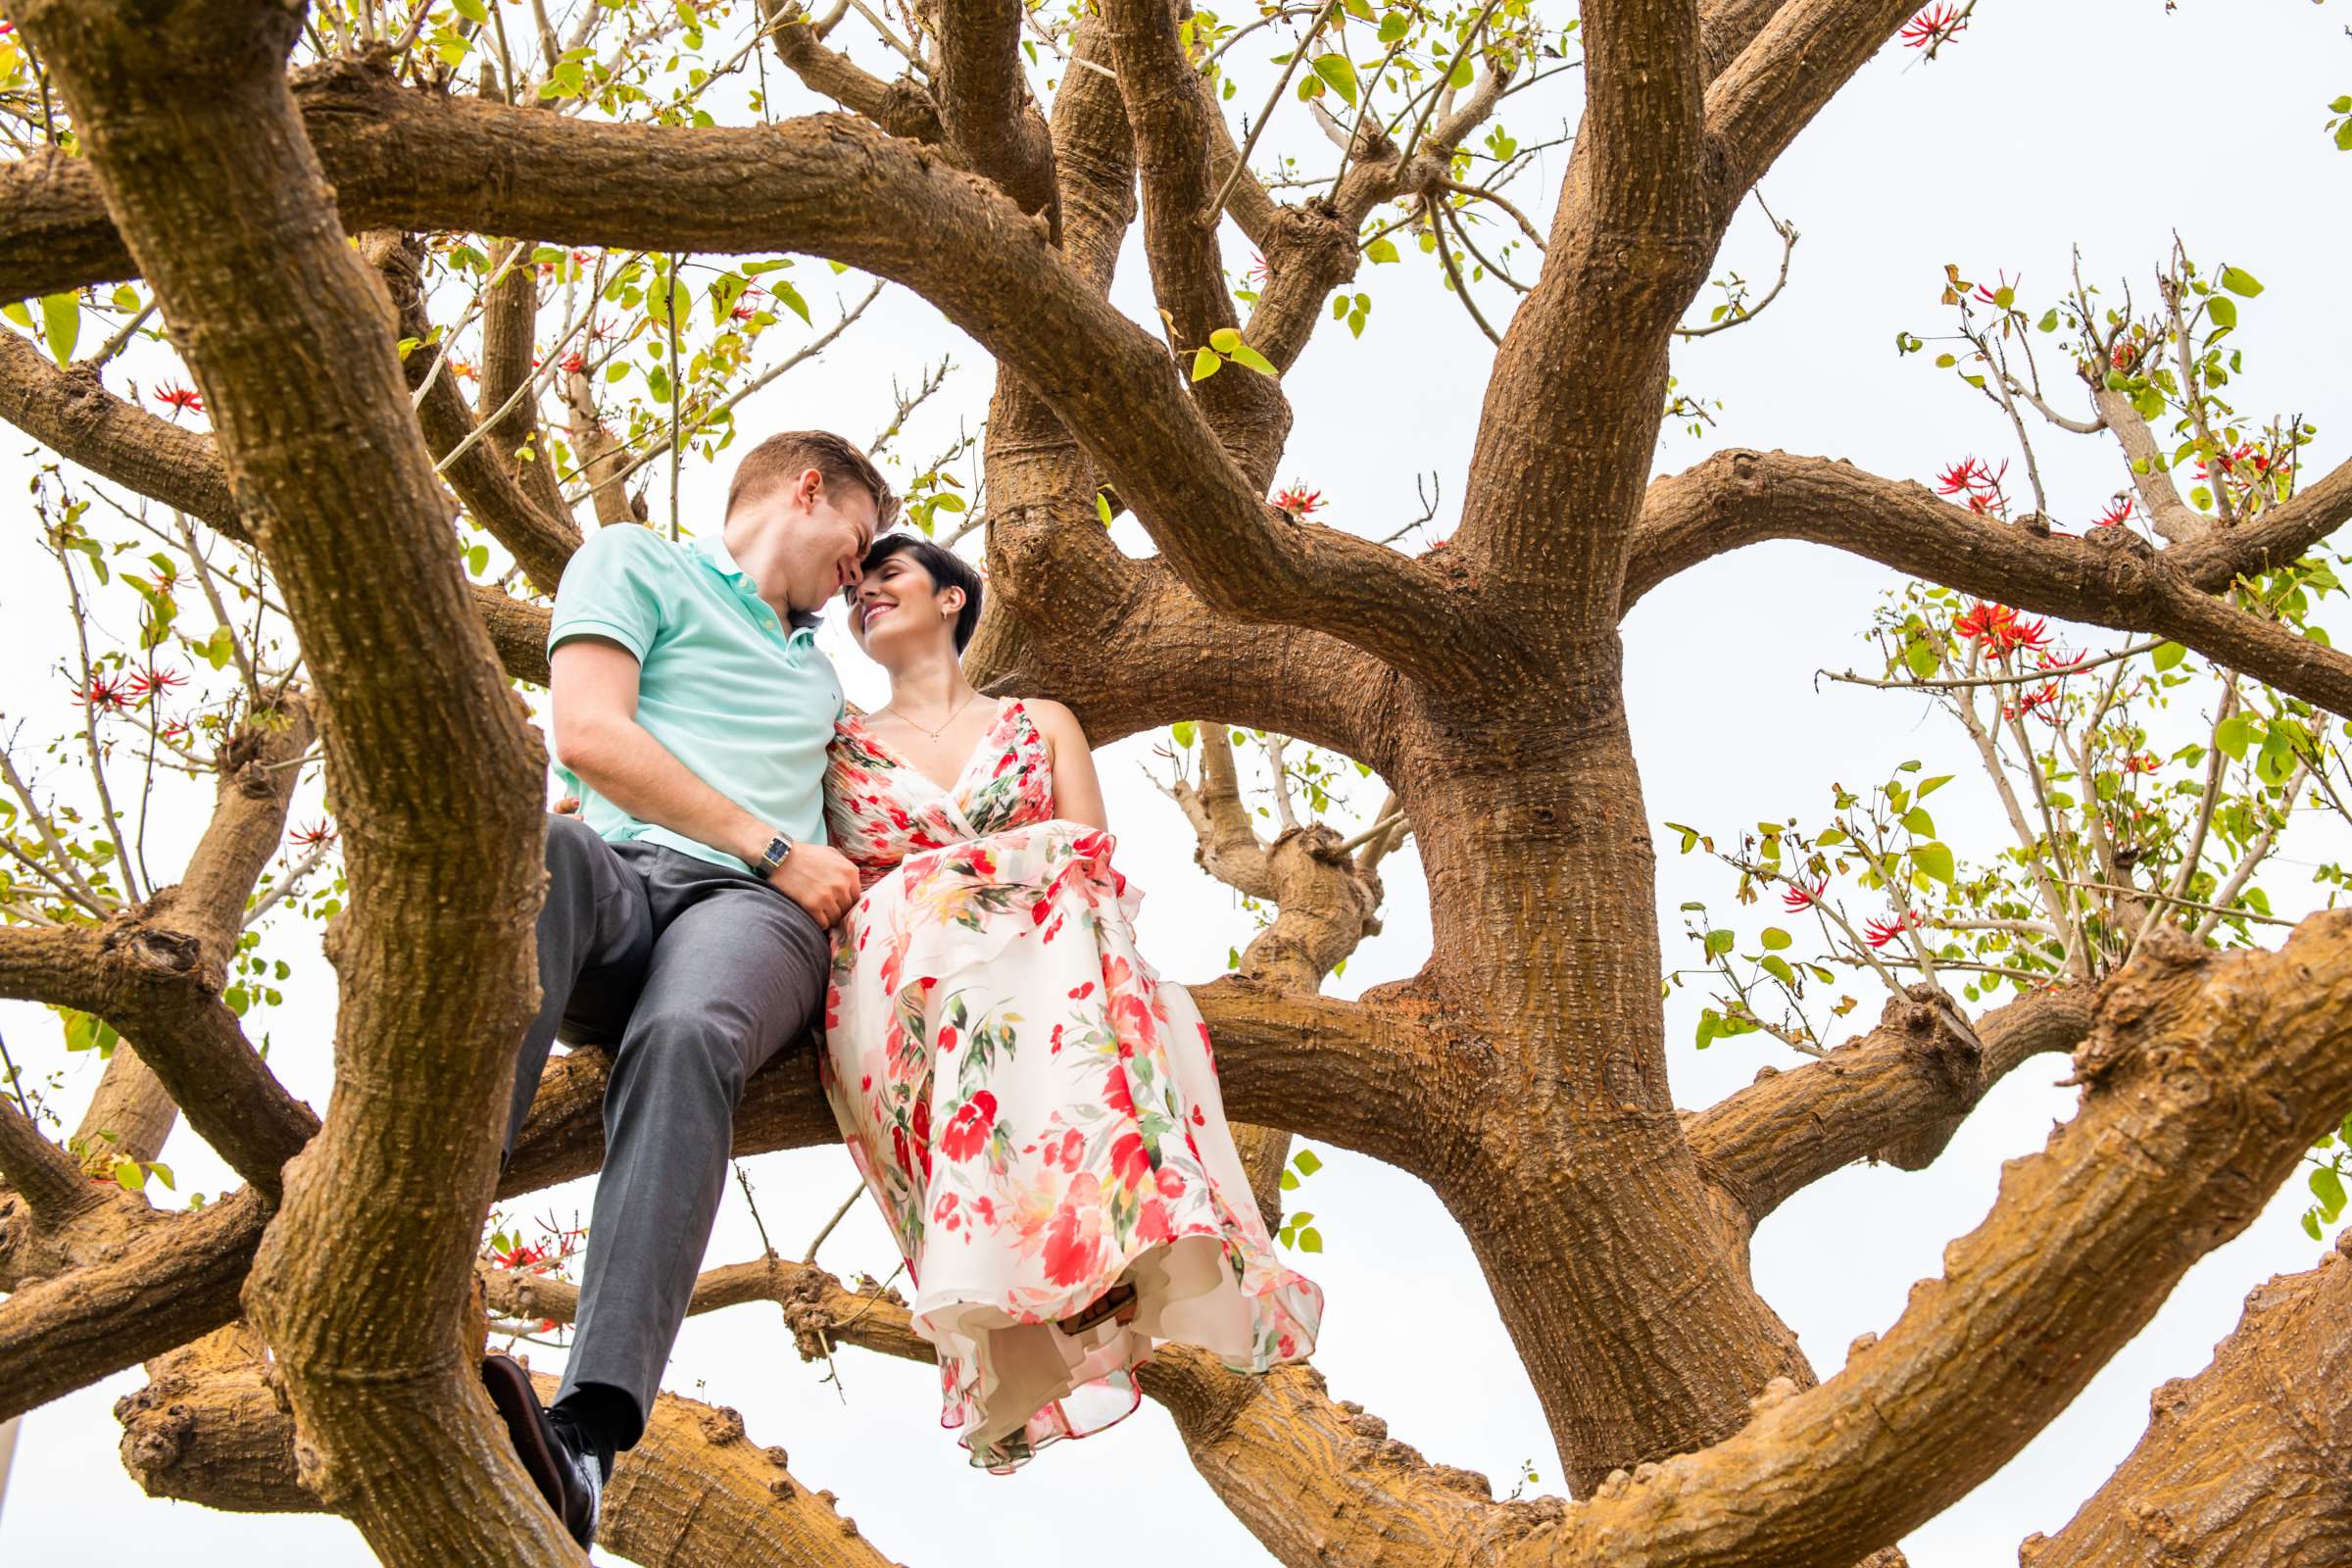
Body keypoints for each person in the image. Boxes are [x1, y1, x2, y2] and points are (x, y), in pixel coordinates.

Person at [819, 533, 1323, 1471]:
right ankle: (1024, 1275)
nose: (865, 598)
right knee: (950, 916)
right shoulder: (838, 742)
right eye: (855, 592)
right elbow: (834, 879)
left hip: (1045, 951)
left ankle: (1109, 1241)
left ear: (952, 599)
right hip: (907, 977)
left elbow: (1090, 852)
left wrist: (990, 878)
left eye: (887, 577)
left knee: (1079, 922)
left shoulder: (1038, 719)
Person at [477, 430, 885, 1545]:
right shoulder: (632, 562)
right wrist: (770, 844)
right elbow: (590, 734)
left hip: (750, 922)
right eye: (856, 543)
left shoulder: (824, 682)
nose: (858, 575)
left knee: (686, 1034)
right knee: (538, 854)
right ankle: (428, 1226)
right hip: (621, 876)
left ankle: (587, 1438)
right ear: (808, 488)